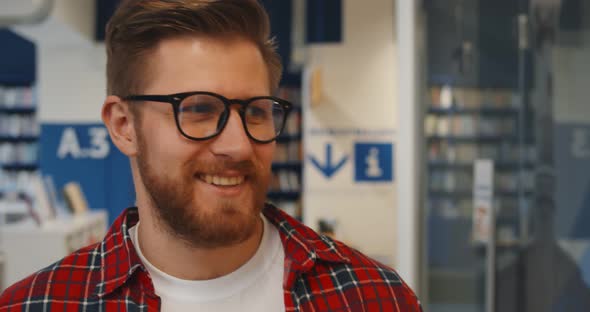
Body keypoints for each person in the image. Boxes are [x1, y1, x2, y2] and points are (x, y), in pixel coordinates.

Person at [0, 0, 422, 310]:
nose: (238, 145)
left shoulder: (375, 297)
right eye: (199, 109)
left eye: (256, 111)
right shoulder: (39, 304)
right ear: (123, 125)